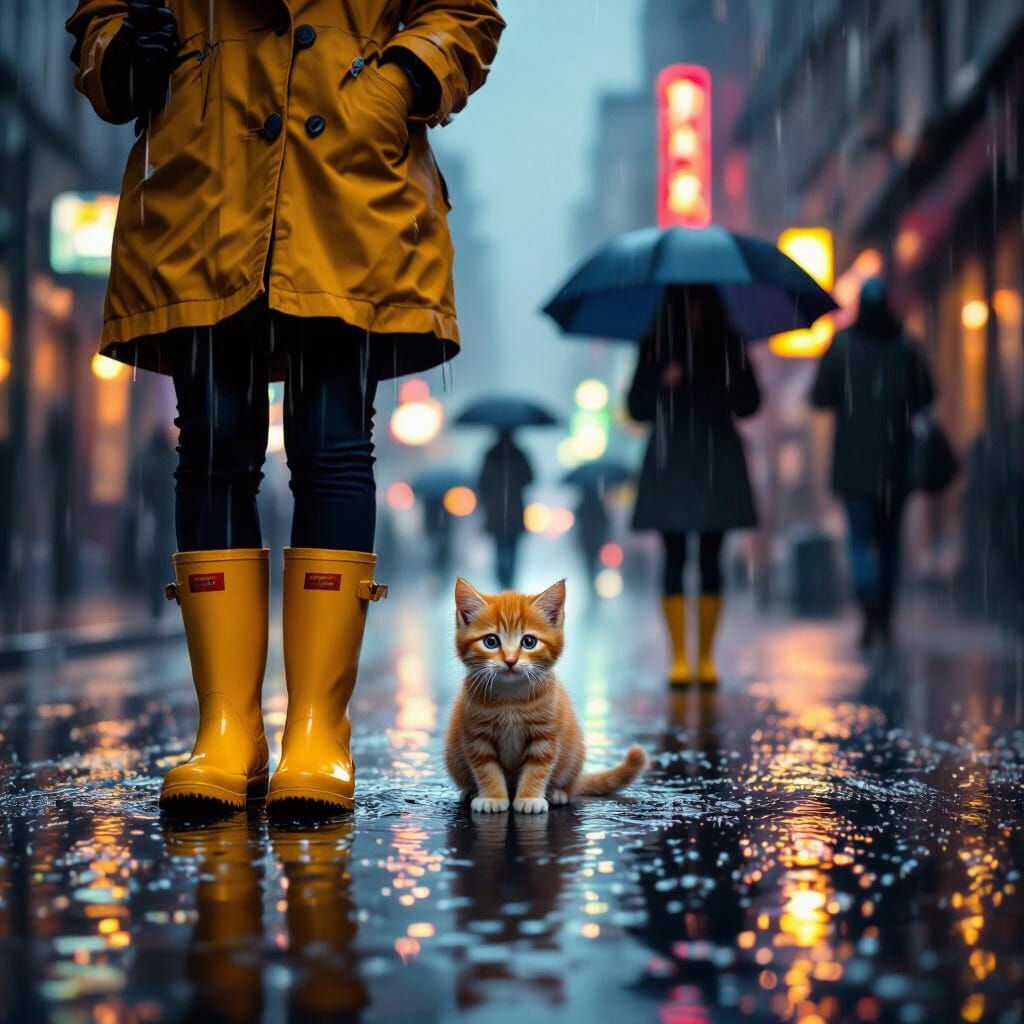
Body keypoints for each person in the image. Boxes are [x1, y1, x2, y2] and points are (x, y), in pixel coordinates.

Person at [67, 0, 504, 814]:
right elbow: (98, 19)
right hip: (203, 184)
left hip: (347, 188)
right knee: (210, 447)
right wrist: (122, 51)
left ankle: (316, 732)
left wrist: (399, 78)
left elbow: (465, 13)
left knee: (334, 446)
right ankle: (226, 729)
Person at [627, 286, 761, 686]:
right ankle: (679, 658)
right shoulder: (654, 345)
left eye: (699, 303)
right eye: (685, 304)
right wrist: (661, 381)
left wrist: (725, 378)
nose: (693, 313)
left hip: (714, 457)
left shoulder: (728, 344)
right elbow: (636, 406)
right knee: (673, 556)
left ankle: (704, 657)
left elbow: (751, 401)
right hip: (673, 458)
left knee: (710, 558)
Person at [811, 276, 934, 647]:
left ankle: (868, 604)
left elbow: (820, 397)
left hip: (853, 466)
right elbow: (927, 394)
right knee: (889, 542)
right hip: (895, 465)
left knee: (861, 540)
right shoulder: (905, 346)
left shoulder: (843, 346)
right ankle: (884, 612)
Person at [477, 431, 533, 589]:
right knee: (512, 550)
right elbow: (530, 478)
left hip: (496, 513)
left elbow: (482, 483)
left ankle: (503, 582)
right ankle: (508, 582)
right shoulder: (519, 455)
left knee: (500, 549)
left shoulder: (490, 456)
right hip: (514, 512)